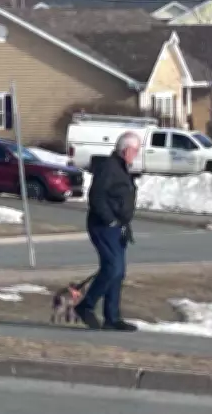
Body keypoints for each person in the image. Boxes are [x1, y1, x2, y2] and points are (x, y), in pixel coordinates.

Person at [74, 131, 140, 331]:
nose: (136, 154)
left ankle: (112, 317)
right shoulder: (109, 168)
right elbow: (97, 197)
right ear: (126, 150)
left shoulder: (121, 168)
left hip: (118, 227)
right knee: (112, 267)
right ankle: (86, 306)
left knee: (118, 272)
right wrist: (110, 219)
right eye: (135, 150)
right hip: (103, 226)